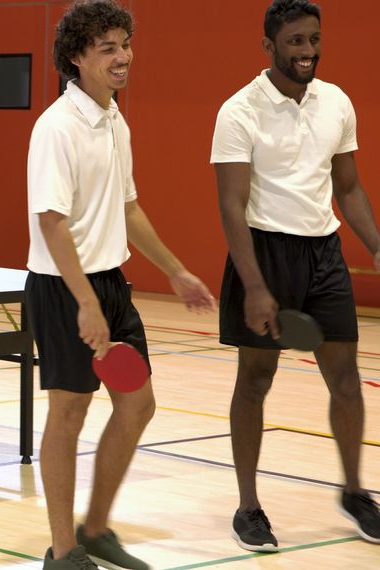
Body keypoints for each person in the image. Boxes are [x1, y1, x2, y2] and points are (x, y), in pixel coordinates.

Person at [26, 1, 217, 567]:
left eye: (125, 44)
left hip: (110, 282)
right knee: (69, 413)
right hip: (64, 289)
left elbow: (128, 208)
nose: (123, 56)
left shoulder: (114, 120)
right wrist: (85, 303)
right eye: (107, 47)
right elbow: (52, 223)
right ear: (76, 58)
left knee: (138, 406)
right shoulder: (56, 128)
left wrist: (176, 270)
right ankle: (63, 552)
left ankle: (95, 529)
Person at [212, 0, 380, 552]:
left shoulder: (337, 102)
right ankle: (248, 507)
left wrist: (377, 246)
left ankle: (355, 493)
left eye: (313, 40)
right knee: (255, 381)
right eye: (295, 42)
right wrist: (256, 286)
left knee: (346, 380)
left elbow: (348, 187)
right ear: (269, 46)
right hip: (264, 252)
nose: (308, 51)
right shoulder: (238, 110)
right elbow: (231, 205)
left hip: (324, 253)